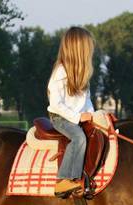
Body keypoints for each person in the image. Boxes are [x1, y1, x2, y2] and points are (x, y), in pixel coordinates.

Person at [47, 26, 95, 196]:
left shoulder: (83, 75)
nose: (90, 53)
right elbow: (56, 103)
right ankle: (64, 180)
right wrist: (77, 117)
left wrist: (93, 115)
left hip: (76, 117)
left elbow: (86, 100)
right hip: (60, 117)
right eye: (88, 49)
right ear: (79, 51)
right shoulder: (60, 72)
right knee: (78, 137)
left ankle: (86, 176)